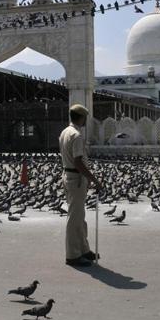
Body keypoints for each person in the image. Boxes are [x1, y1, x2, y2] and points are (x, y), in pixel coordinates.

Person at [58, 104, 101, 267]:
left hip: (70, 175)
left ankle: (83, 249)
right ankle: (72, 255)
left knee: (79, 216)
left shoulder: (65, 132)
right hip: (75, 178)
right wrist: (94, 179)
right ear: (82, 118)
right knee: (74, 218)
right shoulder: (76, 135)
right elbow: (78, 162)